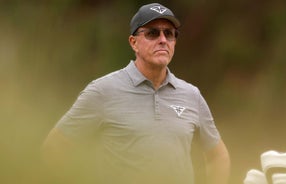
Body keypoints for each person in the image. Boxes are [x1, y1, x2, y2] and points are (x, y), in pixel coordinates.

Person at [42, 3, 230, 184]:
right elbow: (56, 146)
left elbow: (217, 156)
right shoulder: (102, 91)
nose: (163, 39)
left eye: (170, 34)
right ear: (134, 43)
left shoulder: (191, 95)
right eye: (152, 33)